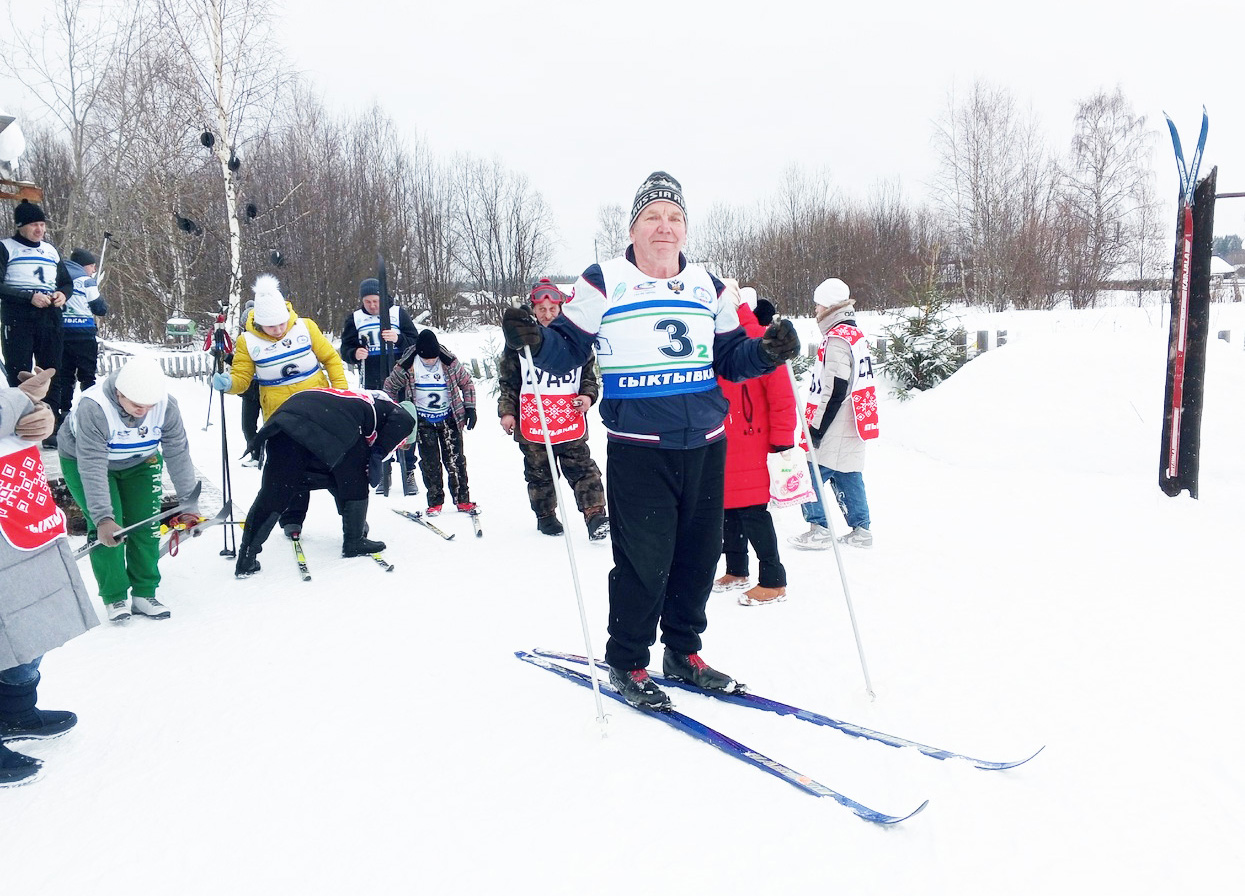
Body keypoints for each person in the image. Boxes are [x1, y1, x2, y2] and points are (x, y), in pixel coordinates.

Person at [501, 171, 801, 710]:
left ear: (685, 229)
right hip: (640, 446)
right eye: (653, 217)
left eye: (675, 217)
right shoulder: (604, 280)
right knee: (645, 558)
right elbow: (566, 348)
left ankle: (683, 652)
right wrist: (537, 339)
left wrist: (769, 352)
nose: (665, 226)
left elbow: (732, 358)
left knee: (700, 553)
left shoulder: (709, 285)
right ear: (634, 227)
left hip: (707, 442)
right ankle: (628, 659)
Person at [0, 367, 98, 787]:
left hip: (17, 499)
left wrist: (39, 413)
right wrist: (21, 402)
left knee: (28, 615)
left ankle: (15, 710)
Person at [57, 355, 200, 622]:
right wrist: (103, 517)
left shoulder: (167, 406)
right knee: (112, 530)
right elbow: (92, 466)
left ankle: (144, 593)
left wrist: (189, 504)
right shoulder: (94, 408)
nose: (144, 411)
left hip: (141, 460)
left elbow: (177, 452)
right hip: (84, 462)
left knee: (146, 524)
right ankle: (115, 597)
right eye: (137, 405)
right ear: (119, 393)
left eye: (150, 405)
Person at [212, 274, 347, 537]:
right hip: (280, 415)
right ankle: (292, 519)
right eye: (271, 326)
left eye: (282, 323)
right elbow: (242, 379)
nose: (278, 329)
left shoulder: (305, 327)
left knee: (335, 463)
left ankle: (351, 516)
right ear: (260, 323)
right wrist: (228, 383)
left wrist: (340, 393)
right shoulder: (247, 342)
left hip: (319, 409)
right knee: (289, 469)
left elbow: (331, 358)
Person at [234, 388, 416, 576]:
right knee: (356, 474)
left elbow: (339, 475)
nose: (401, 446)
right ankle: (354, 541)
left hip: (285, 422)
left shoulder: (357, 400)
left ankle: (246, 557)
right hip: (330, 422)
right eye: (403, 443)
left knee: (276, 491)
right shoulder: (395, 411)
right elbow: (404, 420)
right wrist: (378, 453)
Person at [498, 279, 608, 539]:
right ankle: (545, 515)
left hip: (568, 418)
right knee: (540, 472)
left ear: (561, 310)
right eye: (541, 310)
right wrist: (507, 411)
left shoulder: (576, 341)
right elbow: (509, 380)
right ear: (534, 311)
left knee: (583, 468)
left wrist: (587, 397)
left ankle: (595, 516)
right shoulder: (519, 343)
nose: (547, 315)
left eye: (552, 310)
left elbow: (589, 378)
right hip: (533, 419)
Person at [714, 285, 796, 606]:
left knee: (753, 512)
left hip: (753, 442)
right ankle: (737, 569)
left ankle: (773, 580)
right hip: (723, 439)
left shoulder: (762, 340)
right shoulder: (717, 341)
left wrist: (781, 443)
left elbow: (782, 399)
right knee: (727, 509)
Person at [788, 278, 878, 550]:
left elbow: (836, 386)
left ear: (828, 306)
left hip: (835, 418)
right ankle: (861, 529)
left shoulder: (837, 339)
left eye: (817, 305)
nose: (815, 311)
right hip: (855, 417)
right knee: (848, 471)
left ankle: (819, 527)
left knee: (811, 469)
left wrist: (817, 429)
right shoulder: (855, 335)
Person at [383, 329, 477, 515]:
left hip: (449, 417)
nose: (431, 362)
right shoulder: (407, 366)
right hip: (423, 420)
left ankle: (462, 500)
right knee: (430, 463)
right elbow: (389, 387)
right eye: (427, 360)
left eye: (433, 359)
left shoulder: (449, 362)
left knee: (455, 461)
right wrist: (395, 412)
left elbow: (467, 383)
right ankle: (435, 501)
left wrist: (470, 408)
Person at [340, 277, 419, 496]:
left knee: (405, 421)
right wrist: (354, 353)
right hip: (373, 379)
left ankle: (409, 469)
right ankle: (384, 470)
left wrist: (400, 338)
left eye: (376, 301)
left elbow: (415, 341)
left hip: (399, 377)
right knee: (376, 425)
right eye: (368, 302)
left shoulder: (397, 314)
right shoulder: (355, 319)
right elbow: (345, 346)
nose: (373, 306)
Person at [0, 202, 70, 413]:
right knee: (19, 371)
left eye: (42, 224)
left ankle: (51, 421)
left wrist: (63, 294)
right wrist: (28, 297)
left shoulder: (50, 250)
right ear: (20, 226)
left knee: (51, 370)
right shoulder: (6, 247)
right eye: (33, 225)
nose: (39, 230)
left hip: (49, 316)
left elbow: (66, 282)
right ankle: (19, 419)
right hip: (18, 317)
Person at [49, 247, 109, 446]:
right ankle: (89, 416)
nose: (93, 270)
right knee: (87, 377)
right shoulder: (86, 281)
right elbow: (99, 308)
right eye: (92, 266)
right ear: (84, 265)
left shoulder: (58, 278)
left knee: (64, 377)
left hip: (61, 334)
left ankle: (62, 416)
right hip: (83, 335)